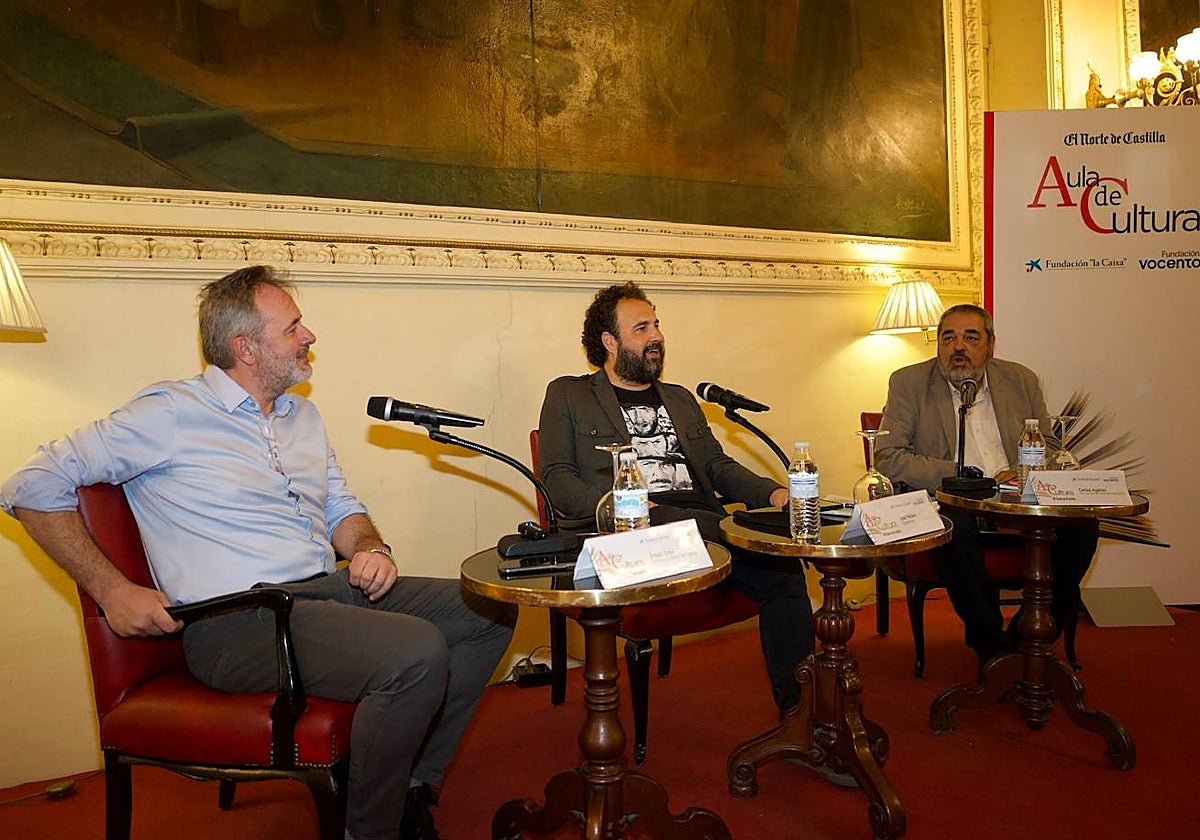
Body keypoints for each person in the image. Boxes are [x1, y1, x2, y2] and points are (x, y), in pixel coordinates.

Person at [0, 266, 516, 840]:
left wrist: (369, 545)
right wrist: (111, 589)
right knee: (416, 651)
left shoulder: (303, 417)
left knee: (486, 609)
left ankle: (410, 784)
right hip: (237, 622)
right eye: (293, 326)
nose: (310, 336)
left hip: (326, 594)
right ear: (245, 348)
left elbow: (342, 508)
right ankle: (371, 830)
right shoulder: (170, 413)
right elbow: (29, 485)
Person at [537, 281, 813, 714]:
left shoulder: (681, 399)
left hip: (703, 530)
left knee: (784, 573)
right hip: (636, 534)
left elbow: (719, 467)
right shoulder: (569, 395)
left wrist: (774, 492)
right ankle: (761, 538)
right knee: (741, 536)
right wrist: (620, 505)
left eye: (657, 325)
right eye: (641, 328)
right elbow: (556, 477)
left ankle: (802, 714)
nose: (657, 336)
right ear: (610, 342)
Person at [875, 303, 1097, 664]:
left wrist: (1020, 474)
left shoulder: (1020, 379)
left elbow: (1051, 445)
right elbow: (888, 455)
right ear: (938, 346)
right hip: (952, 502)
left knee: (1083, 527)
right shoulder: (909, 383)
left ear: (990, 345)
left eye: (970, 338)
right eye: (949, 338)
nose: (958, 347)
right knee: (954, 525)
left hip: (1015, 503)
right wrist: (962, 477)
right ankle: (991, 647)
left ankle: (1028, 633)